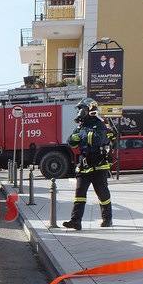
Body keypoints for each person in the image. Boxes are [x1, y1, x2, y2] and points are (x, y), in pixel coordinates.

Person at [63, 98, 113, 230]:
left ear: (91, 110)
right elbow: (70, 141)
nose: (80, 112)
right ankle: (75, 221)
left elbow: (96, 140)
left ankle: (107, 219)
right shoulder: (80, 126)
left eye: (83, 109)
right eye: (80, 110)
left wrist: (81, 136)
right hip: (84, 166)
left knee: (102, 194)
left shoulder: (99, 125)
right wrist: (76, 137)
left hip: (98, 166)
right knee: (79, 195)